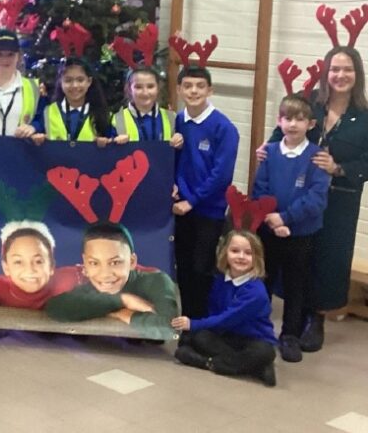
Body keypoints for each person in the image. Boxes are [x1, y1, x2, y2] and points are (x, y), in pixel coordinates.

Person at [260, 45, 368, 351]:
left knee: (328, 258)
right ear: (325, 72)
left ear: (357, 74)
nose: (340, 75)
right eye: (335, 69)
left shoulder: (364, 117)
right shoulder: (311, 105)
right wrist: (267, 148)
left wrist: (340, 168)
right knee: (299, 254)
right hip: (299, 196)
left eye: (348, 69)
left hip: (340, 200)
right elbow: (283, 130)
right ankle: (295, 313)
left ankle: (316, 317)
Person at [252, 94, 330, 362]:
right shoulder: (269, 153)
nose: (293, 124)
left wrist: (286, 218)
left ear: (310, 124)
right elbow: (259, 189)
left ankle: (290, 336)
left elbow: (317, 198)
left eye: (299, 119)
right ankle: (258, 330)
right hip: (268, 230)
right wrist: (271, 219)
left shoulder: (317, 157)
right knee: (264, 282)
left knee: (296, 287)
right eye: (287, 118)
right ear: (279, 121)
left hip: (301, 234)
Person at [172, 65, 239, 320]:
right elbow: (172, 162)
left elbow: (221, 175)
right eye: (187, 86)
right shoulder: (177, 121)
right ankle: (188, 320)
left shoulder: (224, 128)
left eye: (200, 86)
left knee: (202, 269)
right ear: (179, 90)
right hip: (180, 208)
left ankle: (202, 323)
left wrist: (192, 200)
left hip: (207, 211)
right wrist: (174, 187)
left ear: (210, 90)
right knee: (184, 268)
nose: (193, 91)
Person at [171, 230, 277, 387]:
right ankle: (253, 367)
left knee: (264, 352)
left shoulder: (256, 292)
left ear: (256, 258)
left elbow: (227, 318)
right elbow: (214, 312)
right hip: (226, 335)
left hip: (253, 339)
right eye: (235, 251)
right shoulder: (221, 280)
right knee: (196, 338)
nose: (241, 257)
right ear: (225, 253)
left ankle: (206, 363)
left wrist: (192, 323)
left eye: (248, 253)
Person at [45, 222, 178, 340]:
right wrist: (122, 301)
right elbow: (55, 308)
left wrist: (128, 314)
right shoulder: (92, 285)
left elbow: (169, 328)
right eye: (94, 263)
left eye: (115, 262)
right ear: (85, 263)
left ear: (132, 262)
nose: (105, 274)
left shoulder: (156, 280)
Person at [0, 221, 80, 319]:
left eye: (38, 261)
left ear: (51, 266)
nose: (30, 270)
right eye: (18, 262)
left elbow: (95, 274)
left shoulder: (69, 279)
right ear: (6, 268)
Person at [30, 57, 112, 145]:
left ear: (89, 81)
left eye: (80, 80)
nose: (75, 86)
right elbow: (32, 140)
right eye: (68, 80)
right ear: (60, 82)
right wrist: (36, 139)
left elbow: (114, 144)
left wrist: (107, 141)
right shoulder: (47, 112)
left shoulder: (104, 115)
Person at [111, 67, 184, 146]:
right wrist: (114, 143)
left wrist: (180, 143)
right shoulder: (118, 119)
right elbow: (108, 154)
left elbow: (180, 153)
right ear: (129, 89)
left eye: (150, 86)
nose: (145, 92)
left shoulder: (172, 117)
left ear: (158, 88)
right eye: (138, 87)